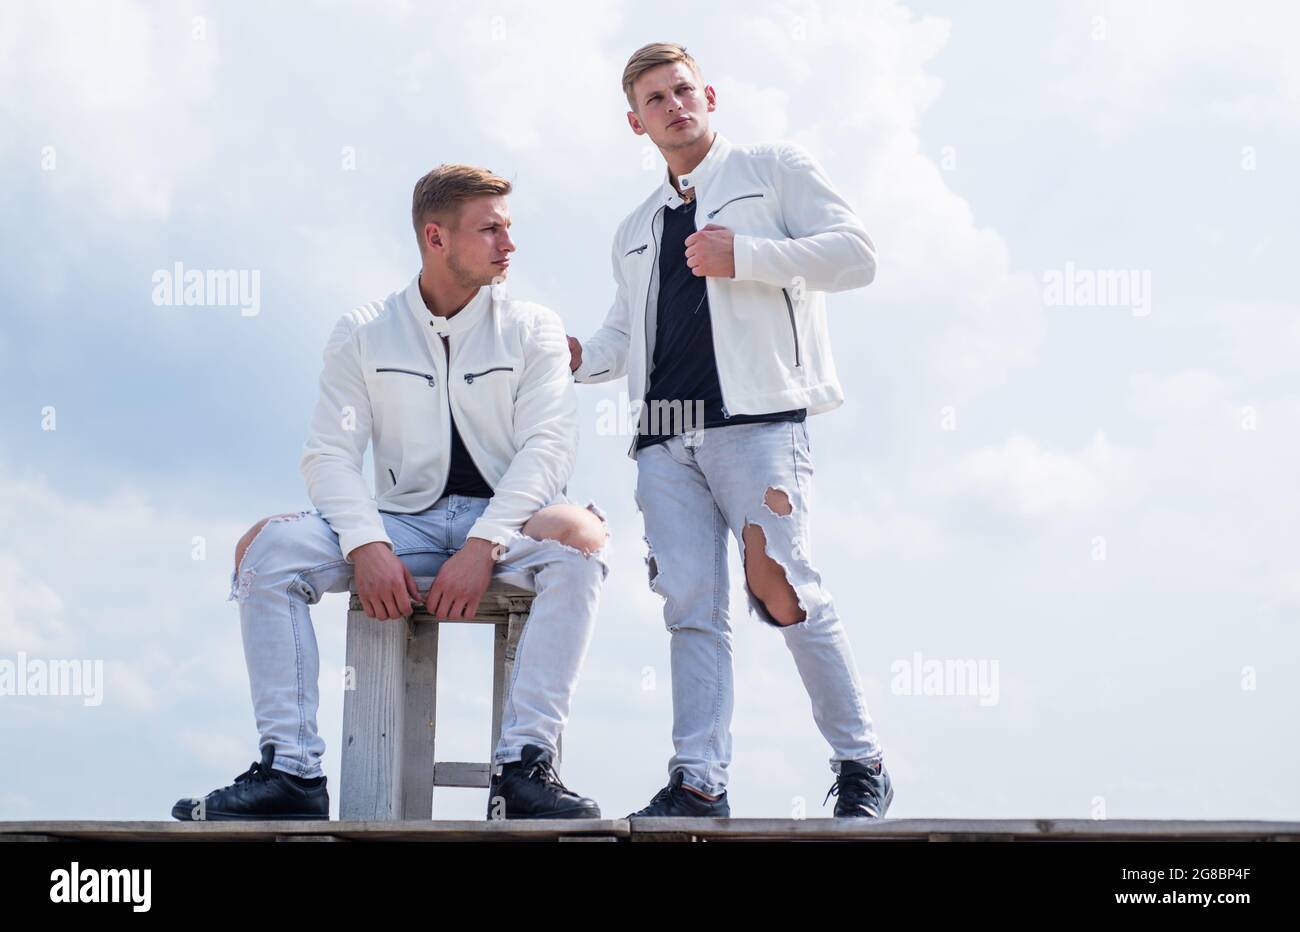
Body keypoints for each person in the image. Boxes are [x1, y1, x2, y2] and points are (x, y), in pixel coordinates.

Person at [173, 164, 609, 821]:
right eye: (489, 230)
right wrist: (366, 545)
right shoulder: (364, 329)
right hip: (402, 524)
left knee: (582, 538)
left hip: (510, 527)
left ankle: (524, 770)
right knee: (265, 548)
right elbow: (329, 454)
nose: (509, 244)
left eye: (508, 228)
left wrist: (484, 546)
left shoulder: (534, 328)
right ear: (436, 237)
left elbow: (548, 449)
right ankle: (290, 772)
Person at [568, 43, 893, 819]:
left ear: (708, 96)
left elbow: (857, 257)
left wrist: (743, 254)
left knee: (787, 592)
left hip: (757, 423)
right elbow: (623, 335)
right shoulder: (635, 227)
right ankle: (699, 782)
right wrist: (576, 359)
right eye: (655, 99)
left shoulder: (772, 169)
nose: (674, 105)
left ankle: (861, 764)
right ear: (636, 122)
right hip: (663, 438)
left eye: (683, 90)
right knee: (690, 610)